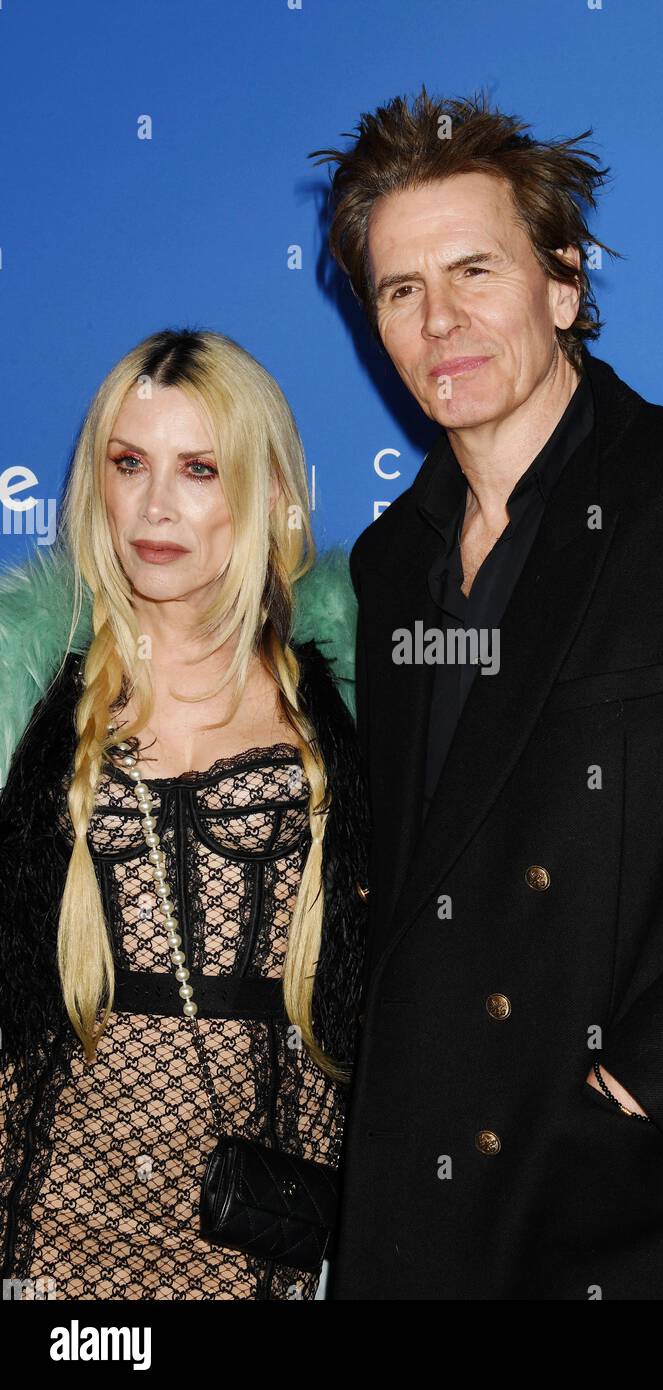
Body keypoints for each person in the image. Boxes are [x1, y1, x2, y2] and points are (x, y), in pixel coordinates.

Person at [309, 89, 663, 1300]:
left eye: (475, 269)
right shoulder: (389, 560)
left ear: (562, 283)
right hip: (430, 1212)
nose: (441, 321)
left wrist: (650, 1075)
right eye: (400, 289)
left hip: (659, 1215)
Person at [0, 327, 368, 1300]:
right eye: (130, 463)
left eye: (199, 468)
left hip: (264, 1228)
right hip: (57, 1220)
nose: (156, 504)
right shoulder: (28, 701)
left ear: (270, 495)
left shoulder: (353, 709)